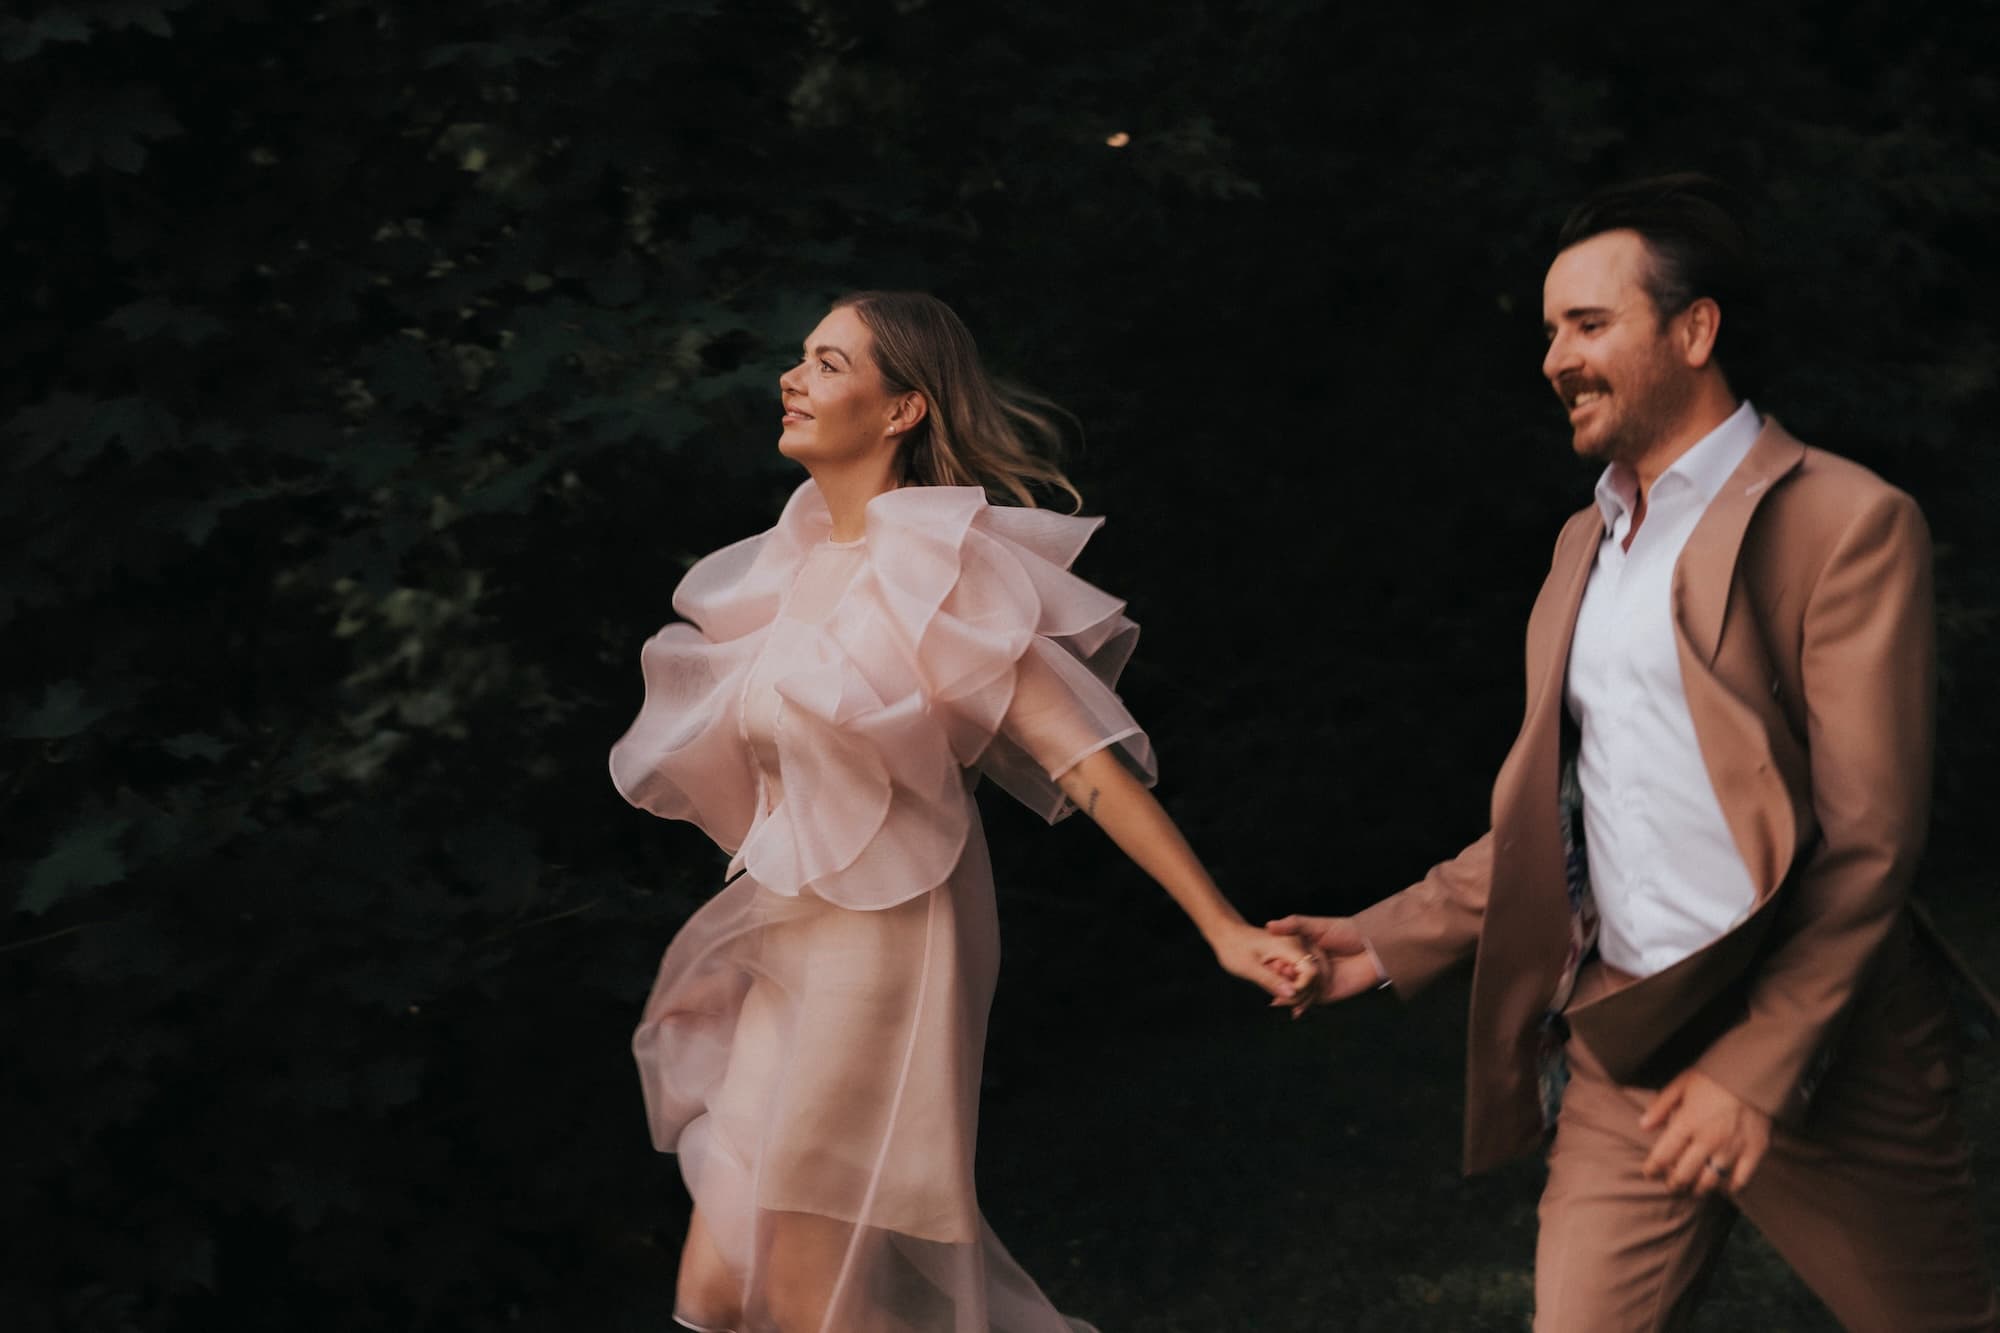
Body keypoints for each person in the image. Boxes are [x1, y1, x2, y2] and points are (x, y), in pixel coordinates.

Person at [1271, 175, 1998, 1331]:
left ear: (1693, 329)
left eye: (1588, 324)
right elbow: (1570, 811)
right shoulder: (1583, 541)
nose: (1554, 357)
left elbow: (1869, 842)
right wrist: (1379, 936)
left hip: (1828, 1054)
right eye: (1549, 330)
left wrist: (1754, 1069)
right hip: (1623, 1041)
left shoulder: (1844, 521)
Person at [609, 290, 1312, 1333]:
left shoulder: (941, 564)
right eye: (799, 359)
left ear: (901, 409)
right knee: (715, 1289)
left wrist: (1221, 927)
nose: (792, 380)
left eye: (829, 364)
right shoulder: (786, 565)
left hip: (887, 942)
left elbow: (1083, 765)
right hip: (788, 941)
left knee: (803, 1300)